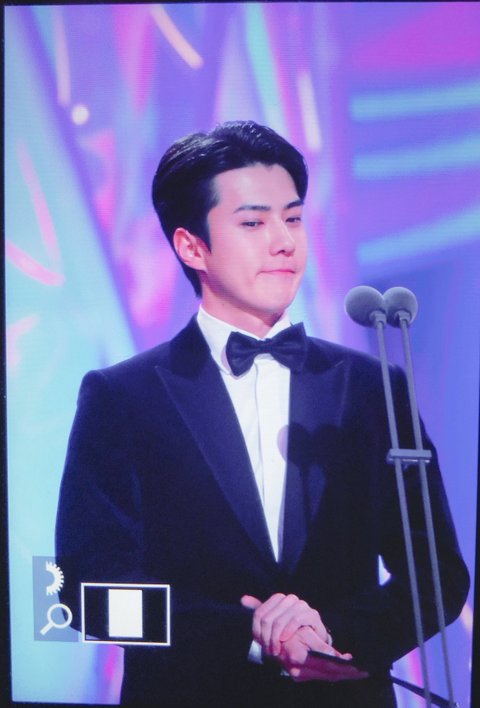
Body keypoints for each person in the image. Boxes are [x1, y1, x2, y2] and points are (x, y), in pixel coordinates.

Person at [56, 120, 469, 707]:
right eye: (253, 223)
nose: (284, 242)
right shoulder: (122, 397)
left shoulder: (371, 387)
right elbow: (86, 593)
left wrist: (334, 638)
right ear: (191, 246)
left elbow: (439, 574)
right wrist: (250, 635)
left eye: (293, 219)